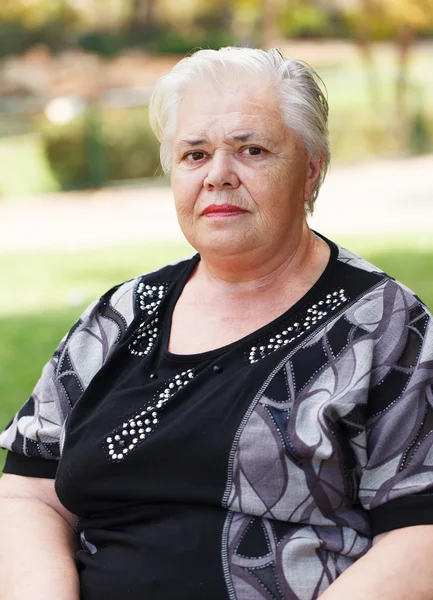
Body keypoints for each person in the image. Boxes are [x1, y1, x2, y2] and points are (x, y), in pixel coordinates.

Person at [1, 46, 433, 600]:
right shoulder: (120, 317)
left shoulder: (384, 326)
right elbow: (31, 494)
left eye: (251, 149)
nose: (218, 176)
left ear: (310, 170)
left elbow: (420, 530)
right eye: (195, 155)